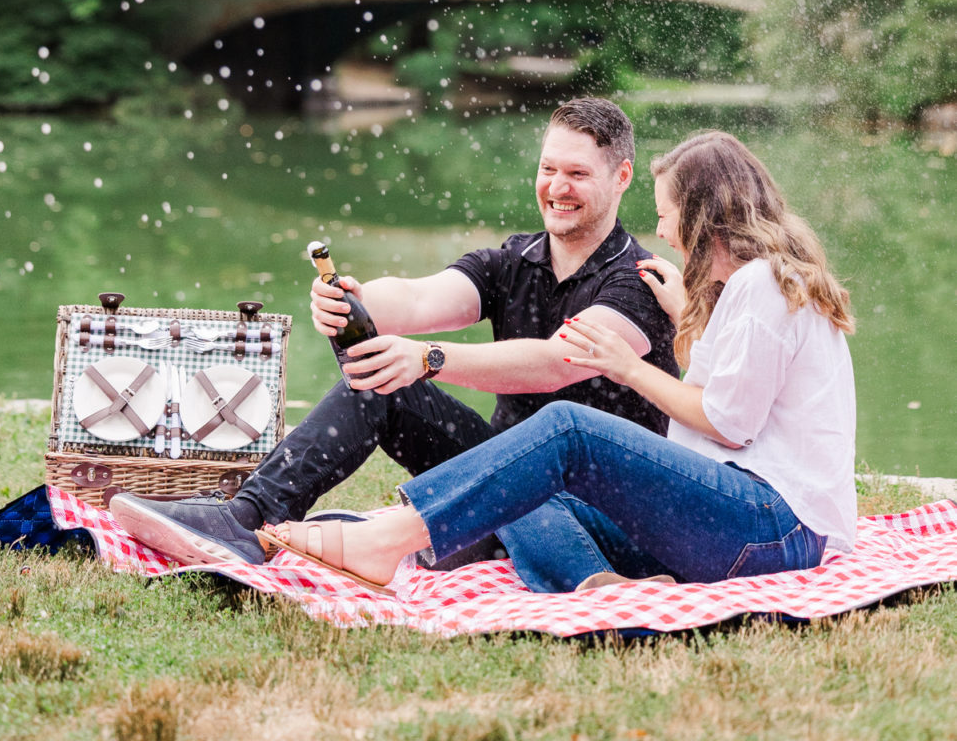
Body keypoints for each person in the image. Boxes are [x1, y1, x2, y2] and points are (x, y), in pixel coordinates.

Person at [264, 131, 857, 595]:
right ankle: (596, 589)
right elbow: (739, 390)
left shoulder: (761, 284)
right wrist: (358, 300)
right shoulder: (755, 288)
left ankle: (386, 541)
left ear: (702, 215)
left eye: (669, 212)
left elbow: (728, 420)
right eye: (550, 169)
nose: (664, 229)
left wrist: (626, 366)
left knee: (565, 427)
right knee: (521, 488)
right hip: (738, 526)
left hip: (771, 528)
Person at [111, 97, 678, 581]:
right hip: (497, 479)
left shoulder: (641, 280)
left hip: (600, 507)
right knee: (380, 379)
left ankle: (476, 538)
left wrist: (430, 358)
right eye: (548, 168)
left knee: (412, 374)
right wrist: (352, 301)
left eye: (577, 174)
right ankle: (247, 516)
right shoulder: (513, 259)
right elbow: (419, 298)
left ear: (621, 177)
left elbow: (558, 363)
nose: (557, 187)